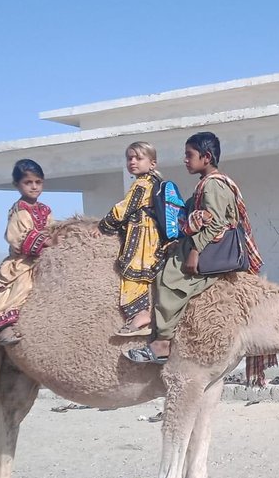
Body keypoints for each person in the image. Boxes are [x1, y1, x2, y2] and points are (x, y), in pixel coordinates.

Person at [127, 131, 263, 364]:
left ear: (206, 157)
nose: (185, 160)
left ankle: (163, 343)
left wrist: (194, 252)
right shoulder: (205, 185)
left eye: (190, 155)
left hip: (211, 252)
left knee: (166, 279)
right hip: (202, 244)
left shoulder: (213, 186)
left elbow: (217, 223)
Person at [98, 141, 171, 337]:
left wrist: (103, 226)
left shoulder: (142, 184)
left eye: (139, 158)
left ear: (152, 163)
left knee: (133, 271)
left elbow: (124, 208)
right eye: (130, 158)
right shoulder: (154, 182)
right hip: (153, 236)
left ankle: (140, 315)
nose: (133, 162)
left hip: (143, 237)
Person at [0, 159, 52, 345]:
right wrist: (46, 241)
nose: (34, 187)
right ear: (17, 185)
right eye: (28, 182)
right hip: (24, 260)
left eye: (38, 182)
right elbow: (19, 237)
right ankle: (3, 325)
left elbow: (52, 229)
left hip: (44, 255)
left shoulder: (45, 209)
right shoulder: (19, 210)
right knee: (23, 285)